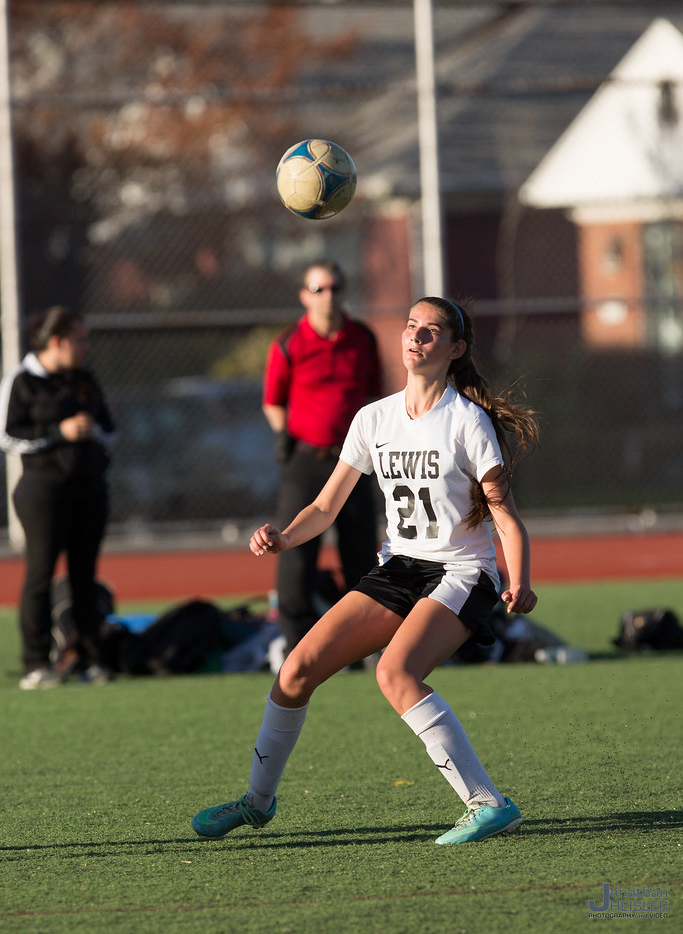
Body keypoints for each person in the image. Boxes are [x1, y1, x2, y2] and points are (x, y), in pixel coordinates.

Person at [192, 296, 540, 846]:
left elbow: (507, 519)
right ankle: (257, 804)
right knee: (295, 672)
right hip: (400, 565)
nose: (416, 339)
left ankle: (490, 805)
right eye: (411, 327)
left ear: (456, 348)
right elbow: (326, 507)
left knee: (395, 673)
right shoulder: (373, 417)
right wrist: (285, 536)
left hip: (463, 569)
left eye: (431, 332)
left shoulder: (467, 422)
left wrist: (518, 581)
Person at [262, 259, 382, 655]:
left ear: (344, 292)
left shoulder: (362, 338)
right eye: (318, 289)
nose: (327, 296)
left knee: (361, 555)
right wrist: (284, 434)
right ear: (304, 296)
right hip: (306, 461)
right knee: (295, 555)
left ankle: (364, 646)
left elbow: (373, 397)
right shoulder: (288, 343)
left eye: (334, 288)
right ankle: (297, 648)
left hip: (354, 462)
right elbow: (273, 402)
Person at [0, 306, 118, 689]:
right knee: (40, 574)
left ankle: (89, 658)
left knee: (84, 577)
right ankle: (36, 663)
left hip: (89, 491)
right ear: (57, 342)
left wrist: (92, 432)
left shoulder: (84, 379)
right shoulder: (22, 380)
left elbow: (111, 432)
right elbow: (8, 437)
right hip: (42, 492)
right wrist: (58, 433)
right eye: (80, 340)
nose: (87, 347)